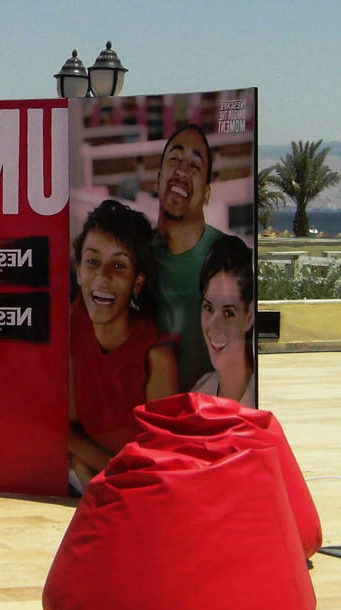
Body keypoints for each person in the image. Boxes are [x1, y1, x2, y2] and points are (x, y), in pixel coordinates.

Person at [68, 200, 179, 490]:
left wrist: (90, 470)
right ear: (78, 270)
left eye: (119, 265)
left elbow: (159, 463)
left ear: (137, 280)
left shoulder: (156, 357)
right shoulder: (69, 324)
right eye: (92, 261)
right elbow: (62, 430)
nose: (102, 277)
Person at [148, 125, 225, 391]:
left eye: (194, 166)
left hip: (207, 415)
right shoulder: (133, 255)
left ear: (206, 193)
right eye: (174, 159)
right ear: (158, 179)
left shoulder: (228, 257)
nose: (181, 171)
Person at [192, 232, 257, 403]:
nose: (214, 327)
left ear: (249, 316)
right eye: (208, 308)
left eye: (228, 313)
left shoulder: (258, 397)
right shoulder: (201, 392)